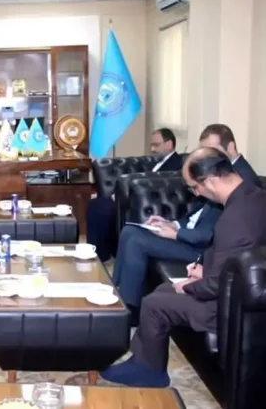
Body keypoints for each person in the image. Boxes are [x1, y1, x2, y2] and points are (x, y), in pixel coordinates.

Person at [102, 147, 266, 388]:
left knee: (155, 303)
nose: (196, 194)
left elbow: (215, 284)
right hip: (237, 289)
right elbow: (233, 255)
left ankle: (149, 372)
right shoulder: (254, 196)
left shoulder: (234, 218)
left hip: (228, 306)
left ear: (210, 180)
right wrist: (203, 268)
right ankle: (143, 361)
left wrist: (190, 287)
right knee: (162, 291)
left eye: (194, 188)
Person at [86, 128, 183, 262]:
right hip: (137, 198)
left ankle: (100, 254)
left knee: (102, 208)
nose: (153, 149)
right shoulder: (158, 160)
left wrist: (124, 193)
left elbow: (157, 185)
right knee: (96, 205)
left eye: (156, 145)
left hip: (147, 203)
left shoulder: (176, 163)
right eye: (152, 145)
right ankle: (96, 251)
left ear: (169, 144)